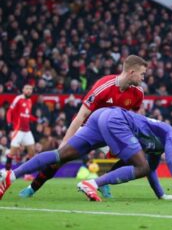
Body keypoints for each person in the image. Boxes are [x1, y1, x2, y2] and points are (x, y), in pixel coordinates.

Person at [0, 107, 172, 203]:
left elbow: (152, 168)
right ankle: (93, 184)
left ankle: (11, 175)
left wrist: (161, 194)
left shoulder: (161, 139)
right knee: (140, 165)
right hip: (117, 120)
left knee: (60, 155)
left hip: (101, 117)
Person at [19, 55, 147, 198]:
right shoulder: (104, 86)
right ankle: (32, 187)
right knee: (59, 159)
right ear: (131, 72)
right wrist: (65, 142)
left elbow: (135, 117)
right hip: (88, 128)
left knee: (131, 157)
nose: (143, 78)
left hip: (111, 131)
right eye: (142, 74)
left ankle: (101, 182)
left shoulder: (138, 93)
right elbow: (81, 116)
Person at [5, 84, 37, 170]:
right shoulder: (18, 99)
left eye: (30, 89)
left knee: (32, 153)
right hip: (18, 130)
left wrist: (36, 120)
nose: (29, 90)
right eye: (27, 88)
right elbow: (9, 111)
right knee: (12, 153)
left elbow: (27, 115)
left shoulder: (29, 101)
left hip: (27, 131)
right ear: (23, 90)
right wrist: (9, 122)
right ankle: (7, 172)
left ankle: (27, 174)